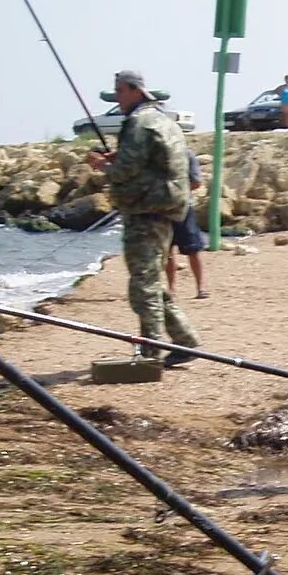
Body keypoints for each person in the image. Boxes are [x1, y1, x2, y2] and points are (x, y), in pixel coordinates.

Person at [85, 70, 200, 368]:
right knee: (149, 279)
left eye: (120, 92)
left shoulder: (138, 122)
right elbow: (154, 159)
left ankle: (151, 353)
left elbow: (126, 170)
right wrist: (119, 157)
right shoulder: (164, 120)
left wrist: (102, 165)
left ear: (135, 91)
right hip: (168, 206)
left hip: (145, 208)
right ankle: (185, 340)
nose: (118, 99)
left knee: (142, 285)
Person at [165, 149, 209, 300]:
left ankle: (201, 287)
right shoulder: (155, 153)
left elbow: (196, 182)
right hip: (162, 209)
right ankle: (171, 289)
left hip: (183, 208)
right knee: (167, 252)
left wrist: (173, 190)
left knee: (193, 249)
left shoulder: (187, 154)